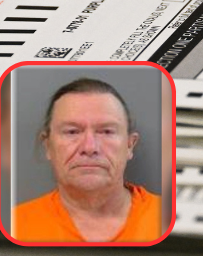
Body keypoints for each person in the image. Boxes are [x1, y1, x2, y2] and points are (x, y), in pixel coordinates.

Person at [13, 78, 161, 242]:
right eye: (72, 132)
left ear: (129, 145)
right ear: (48, 146)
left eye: (106, 132)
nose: (90, 148)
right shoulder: (16, 225)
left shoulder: (169, 218)